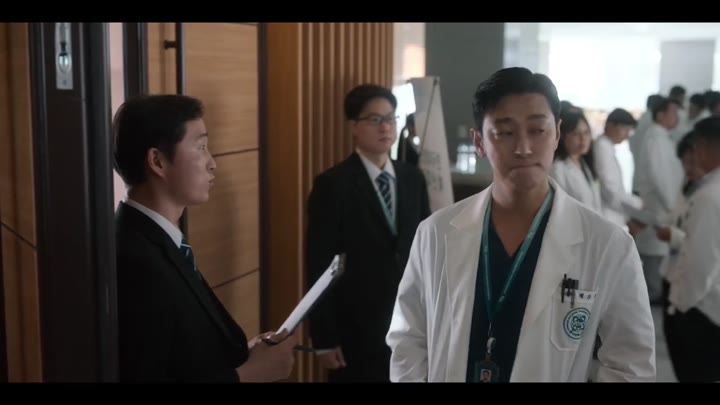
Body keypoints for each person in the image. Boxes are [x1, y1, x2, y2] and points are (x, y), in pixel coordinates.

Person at [385, 67, 656, 382]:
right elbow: (408, 339)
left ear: (557, 134)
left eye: (537, 130)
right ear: (479, 142)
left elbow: (631, 364)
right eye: (505, 132)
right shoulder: (436, 233)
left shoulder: (608, 244)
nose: (524, 148)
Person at [114, 94, 296, 382]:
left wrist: (244, 355)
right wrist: (247, 375)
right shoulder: (135, 259)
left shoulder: (158, 239)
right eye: (200, 147)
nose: (213, 163)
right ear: (157, 161)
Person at [305, 84, 431, 382]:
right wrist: (324, 337)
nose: (385, 127)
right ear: (354, 126)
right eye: (375, 119)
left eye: (390, 118)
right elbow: (320, 263)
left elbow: (426, 247)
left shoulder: (412, 177)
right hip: (355, 325)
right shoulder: (332, 185)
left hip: (409, 318)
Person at [665, 116, 720, 382]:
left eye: (696, 148)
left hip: (702, 310)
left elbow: (701, 264)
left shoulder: (709, 197)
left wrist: (680, 306)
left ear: (706, 148)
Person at [633, 97, 683, 305]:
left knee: (655, 252)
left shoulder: (661, 137)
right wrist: (672, 205)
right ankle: (651, 298)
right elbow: (661, 176)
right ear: (661, 115)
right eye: (673, 113)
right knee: (654, 256)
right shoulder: (656, 139)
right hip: (659, 206)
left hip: (661, 205)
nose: (677, 117)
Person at [592, 108, 642, 231]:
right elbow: (610, 190)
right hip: (607, 216)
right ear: (610, 125)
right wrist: (639, 204)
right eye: (625, 129)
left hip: (613, 216)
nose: (627, 135)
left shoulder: (607, 147)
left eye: (629, 131)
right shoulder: (602, 148)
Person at [550, 110, 602, 213]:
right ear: (563, 136)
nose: (583, 138)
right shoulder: (557, 168)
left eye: (586, 133)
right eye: (576, 133)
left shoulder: (584, 163)